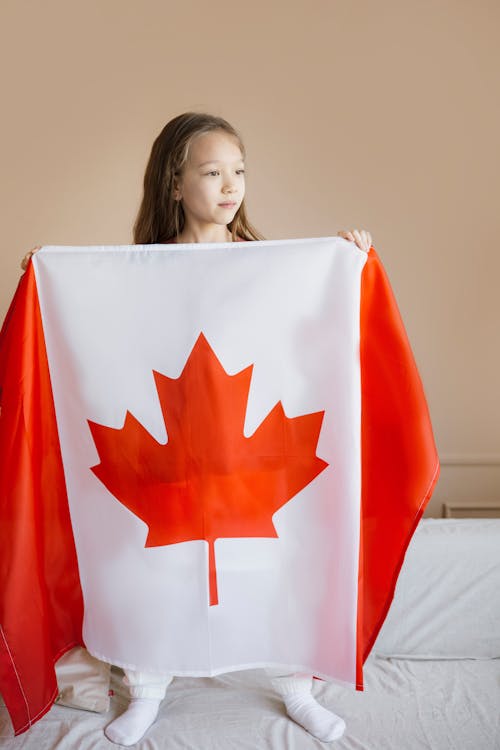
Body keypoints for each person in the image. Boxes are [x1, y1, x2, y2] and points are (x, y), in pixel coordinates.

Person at [20, 112, 373, 745]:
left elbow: (304, 337)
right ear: (174, 184)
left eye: (238, 171)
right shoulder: (145, 272)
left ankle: (298, 688)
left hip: (249, 465)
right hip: (173, 463)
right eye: (212, 172)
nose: (230, 185)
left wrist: (345, 260)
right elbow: (107, 342)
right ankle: (147, 690)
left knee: (279, 566)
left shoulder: (270, 267)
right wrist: (50, 283)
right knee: (147, 572)